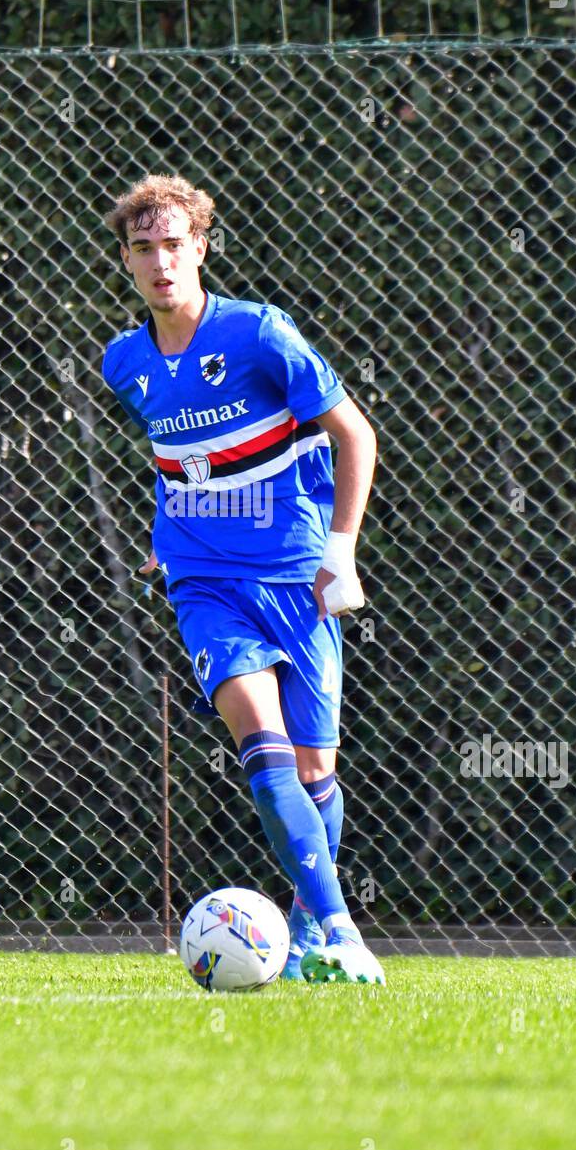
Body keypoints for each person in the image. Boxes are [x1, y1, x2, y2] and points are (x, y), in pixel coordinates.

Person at [101, 173, 385, 985]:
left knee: (315, 772)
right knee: (263, 751)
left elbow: (354, 436)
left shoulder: (261, 335)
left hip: (298, 576)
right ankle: (341, 929)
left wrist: (342, 549)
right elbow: (179, 461)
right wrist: (174, 533)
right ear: (126, 261)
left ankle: (299, 942)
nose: (161, 263)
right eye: (144, 248)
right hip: (206, 587)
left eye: (175, 245)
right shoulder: (126, 362)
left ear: (201, 248)